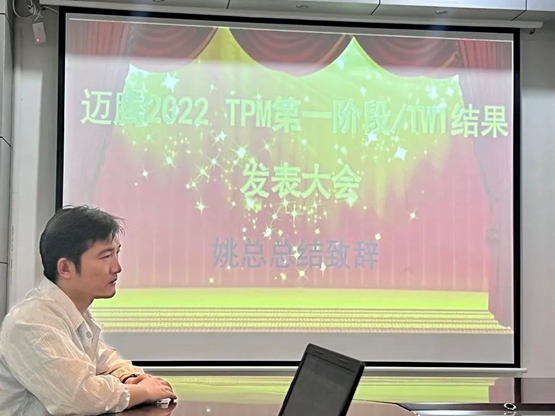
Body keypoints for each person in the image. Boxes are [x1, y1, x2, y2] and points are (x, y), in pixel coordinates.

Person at [0, 206, 177, 415]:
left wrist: (129, 378)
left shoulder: (74, 312)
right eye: (105, 256)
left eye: (117, 253)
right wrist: (142, 391)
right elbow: (78, 398)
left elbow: (106, 362)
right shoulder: (30, 323)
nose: (117, 267)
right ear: (65, 268)